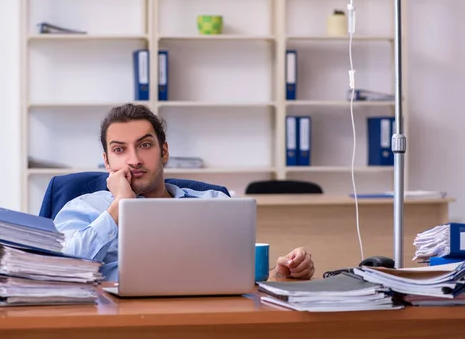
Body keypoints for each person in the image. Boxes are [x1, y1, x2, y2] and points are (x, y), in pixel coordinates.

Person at [54, 103, 315, 281]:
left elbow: (240, 276)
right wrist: (120, 205)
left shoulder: (215, 203)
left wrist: (279, 275)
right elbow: (58, 269)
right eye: (120, 150)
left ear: (164, 151)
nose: (134, 159)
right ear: (107, 161)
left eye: (145, 145)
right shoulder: (82, 208)